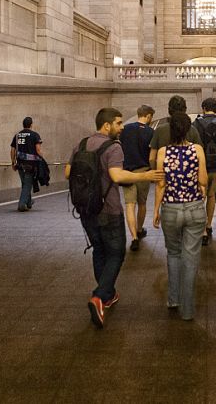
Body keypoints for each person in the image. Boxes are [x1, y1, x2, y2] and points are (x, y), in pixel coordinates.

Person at [65, 108, 163, 329]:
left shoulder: (81, 144)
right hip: (108, 209)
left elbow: (68, 173)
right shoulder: (113, 147)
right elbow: (117, 176)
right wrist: (144, 175)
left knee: (99, 250)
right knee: (117, 253)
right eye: (118, 123)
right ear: (106, 125)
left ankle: (107, 294)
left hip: (86, 210)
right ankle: (100, 296)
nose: (121, 127)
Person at [153, 112, 208, 321]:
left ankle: (173, 299)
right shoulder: (197, 150)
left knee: (173, 253)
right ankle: (187, 310)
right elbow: (203, 180)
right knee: (190, 257)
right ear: (187, 129)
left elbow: (160, 185)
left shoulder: (162, 152)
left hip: (171, 209)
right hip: (194, 208)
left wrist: (156, 210)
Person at [192, 97, 216, 246]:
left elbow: (193, 145)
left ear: (203, 108)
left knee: (200, 197)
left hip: (200, 167)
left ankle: (201, 230)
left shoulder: (195, 123)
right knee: (212, 195)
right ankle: (209, 225)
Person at [120, 104, 156, 252]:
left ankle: (133, 237)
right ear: (148, 116)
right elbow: (152, 155)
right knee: (142, 203)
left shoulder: (125, 129)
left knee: (129, 205)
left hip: (128, 172)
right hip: (143, 173)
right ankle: (140, 229)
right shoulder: (151, 132)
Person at [148, 95, 201, 168]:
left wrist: (156, 172)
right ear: (185, 110)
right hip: (188, 173)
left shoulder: (160, 130)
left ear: (169, 109)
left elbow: (152, 158)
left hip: (165, 173)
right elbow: (199, 155)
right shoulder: (192, 129)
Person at [10, 116, 43, 212]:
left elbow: (12, 150)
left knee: (25, 183)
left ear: (23, 125)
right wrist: (42, 158)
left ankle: (29, 202)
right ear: (31, 124)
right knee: (28, 184)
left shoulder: (17, 135)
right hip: (30, 165)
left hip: (20, 164)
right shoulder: (35, 135)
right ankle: (21, 204)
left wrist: (13, 162)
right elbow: (38, 150)